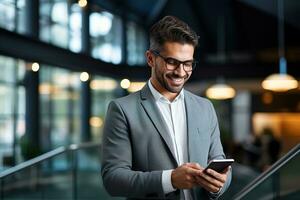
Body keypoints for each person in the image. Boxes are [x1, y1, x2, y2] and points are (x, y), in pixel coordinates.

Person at [101, 15, 232, 200]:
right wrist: (170, 179)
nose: (181, 72)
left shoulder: (205, 108)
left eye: (188, 64)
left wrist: (218, 185)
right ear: (150, 59)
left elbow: (220, 164)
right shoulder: (122, 110)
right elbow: (113, 179)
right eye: (172, 62)